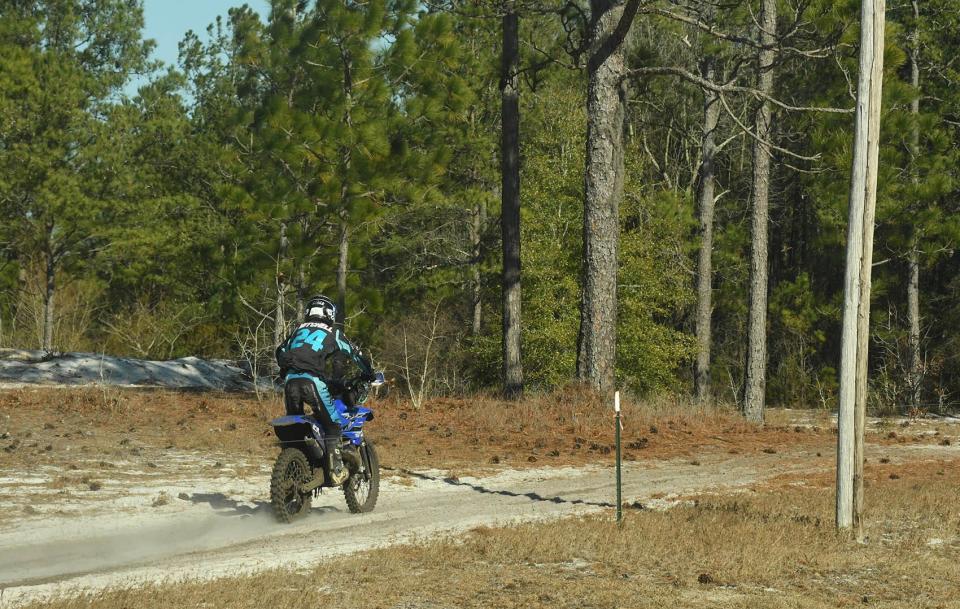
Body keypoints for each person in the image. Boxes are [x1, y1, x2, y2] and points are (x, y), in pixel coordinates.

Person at [276, 295, 374, 485]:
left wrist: (285, 366)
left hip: (290, 381)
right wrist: (368, 373)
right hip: (312, 381)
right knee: (333, 424)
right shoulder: (332, 332)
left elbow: (280, 351)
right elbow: (355, 354)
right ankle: (336, 470)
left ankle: (297, 471)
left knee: (296, 432)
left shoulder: (297, 330)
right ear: (329, 313)